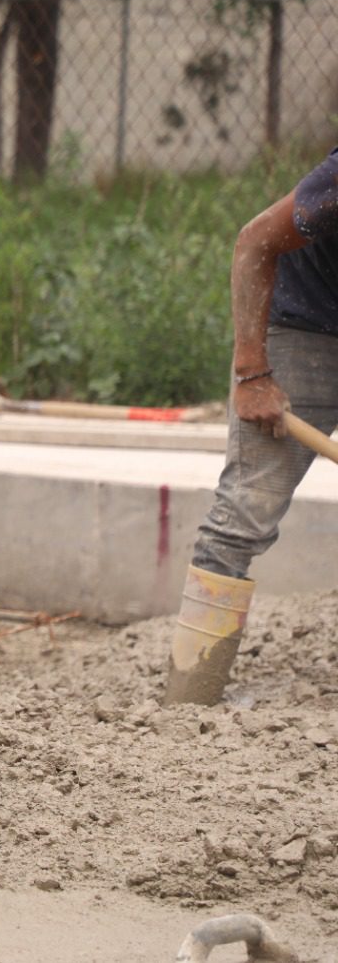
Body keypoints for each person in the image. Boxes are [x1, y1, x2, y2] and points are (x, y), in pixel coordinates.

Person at [164, 146, 338, 705]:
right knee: (246, 512)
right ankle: (191, 693)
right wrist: (252, 372)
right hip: (310, 329)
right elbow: (255, 241)